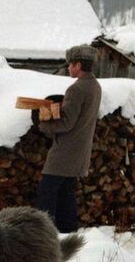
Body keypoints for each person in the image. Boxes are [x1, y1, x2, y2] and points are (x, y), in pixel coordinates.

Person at [34, 45, 102, 233]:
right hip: (80, 150)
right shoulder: (95, 86)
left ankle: (42, 233)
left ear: (78, 65)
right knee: (66, 195)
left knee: (46, 193)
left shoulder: (77, 89)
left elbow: (66, 123)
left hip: (65, 152)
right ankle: (67, 232)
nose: (68, 68)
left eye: (70, 65)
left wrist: (44, 125)